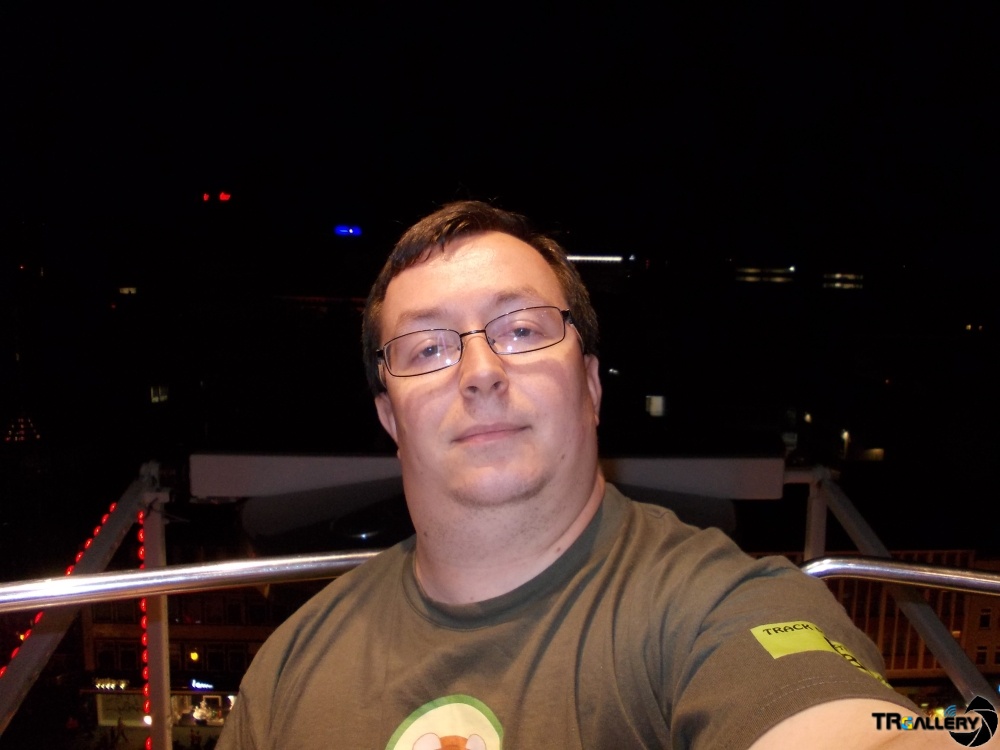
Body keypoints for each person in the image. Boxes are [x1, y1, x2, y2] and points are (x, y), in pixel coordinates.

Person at [218, 200, 951, 749]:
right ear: (389, 417)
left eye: (521, 330)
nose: (480, 371)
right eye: (428, 348)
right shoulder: (288, 670)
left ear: (592, 387)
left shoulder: (714, 608)